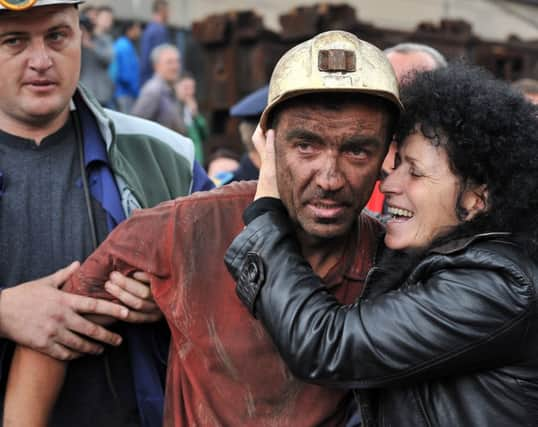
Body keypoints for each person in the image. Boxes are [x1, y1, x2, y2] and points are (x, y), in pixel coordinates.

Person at [6, 31, 402, 427]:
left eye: (356, 150)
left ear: (386, 155)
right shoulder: (189, 227)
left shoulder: (396, 260)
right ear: (267, 144)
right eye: (306, 146)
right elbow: (53, 331)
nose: (329, 177)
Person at [225, 62, 538, 426]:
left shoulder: (499, 285)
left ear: (476, 199)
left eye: (415, 172)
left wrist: (265, 212)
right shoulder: (455, 262)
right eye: (397, 165)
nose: (389, 185)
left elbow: (328, 345)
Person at [0, 1, 213, 426]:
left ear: (82, 36)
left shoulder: (163, 155)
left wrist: (176, 294)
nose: (41, 60)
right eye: (14, 41)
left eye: (57, 36)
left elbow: (238, 276)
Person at [367, 42, 447, 215]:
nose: (401, 98)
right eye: (391, 85)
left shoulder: (455, 172)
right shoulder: (354, 162)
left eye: (416, 86)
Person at [132, 44, 184, 133]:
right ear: (156, 66)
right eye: (169, 62)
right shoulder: (153, 91)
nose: (175, 67)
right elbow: (135, 125)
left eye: (177, 61)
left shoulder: (172, 89)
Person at [79, 5, 115, 107]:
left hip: (102, 93)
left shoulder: (104, 40)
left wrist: (90, 44)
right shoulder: (76, 39)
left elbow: (108, 59)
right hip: (83, 91)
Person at [174, 73, 208, 164]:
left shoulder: (193, 108)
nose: (190, 92)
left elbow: (205, 134)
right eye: (186, 88)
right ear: (176, 88)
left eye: (192, 88)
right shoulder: (172, 109)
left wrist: (196, 115)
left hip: (196, 158)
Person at [113, 20, 142, 113]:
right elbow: (126, 75)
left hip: (125, 92)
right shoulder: (124, 46)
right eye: (137, 28)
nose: (139, 32)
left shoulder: (125, 44)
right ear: (129, 30)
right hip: (125, 93)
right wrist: (135, 91)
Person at [140, 0, 170, 85]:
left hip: (147, 80)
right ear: (163, 11)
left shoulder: (149, 29)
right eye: (168, 11)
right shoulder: (159, 30)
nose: (169, 14)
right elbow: (161, 58)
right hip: (154, 80)